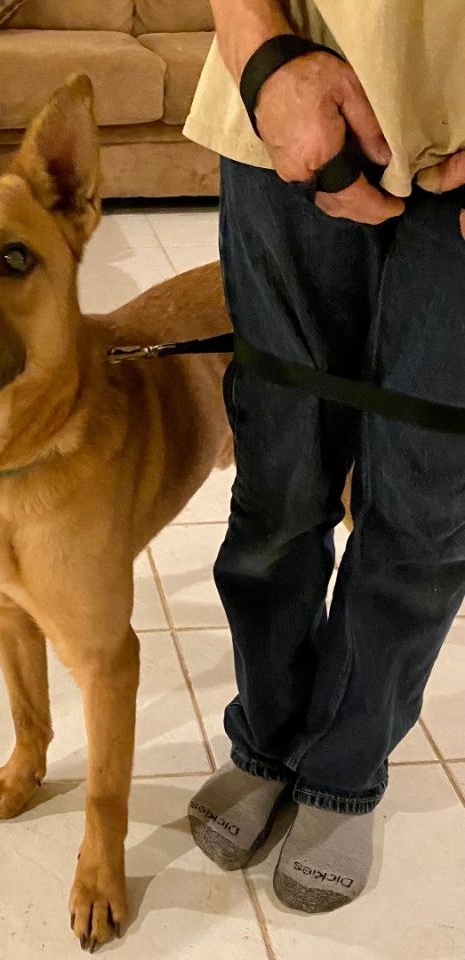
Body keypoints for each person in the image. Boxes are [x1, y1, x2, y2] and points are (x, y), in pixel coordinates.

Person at [184, 0, 465, 913]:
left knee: (425, 508)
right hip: (291, 81)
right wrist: (262, 55)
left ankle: (344, 769)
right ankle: (267, 738)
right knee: (278, 481)